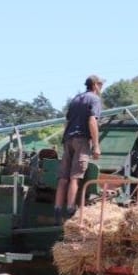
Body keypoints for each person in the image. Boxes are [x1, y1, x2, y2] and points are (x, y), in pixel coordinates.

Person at [55, 74, 103, 226]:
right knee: (75, 176)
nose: (101, 87)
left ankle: (57, 208)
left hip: (68, 139)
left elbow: (67, 121)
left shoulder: (76, 99)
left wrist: (64, 139)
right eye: (100, 84)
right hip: (81, 140)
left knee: (63, 177)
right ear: (95, 85)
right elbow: (92, 120)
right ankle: (70, 208)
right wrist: (96, 145)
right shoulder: (95, 99)